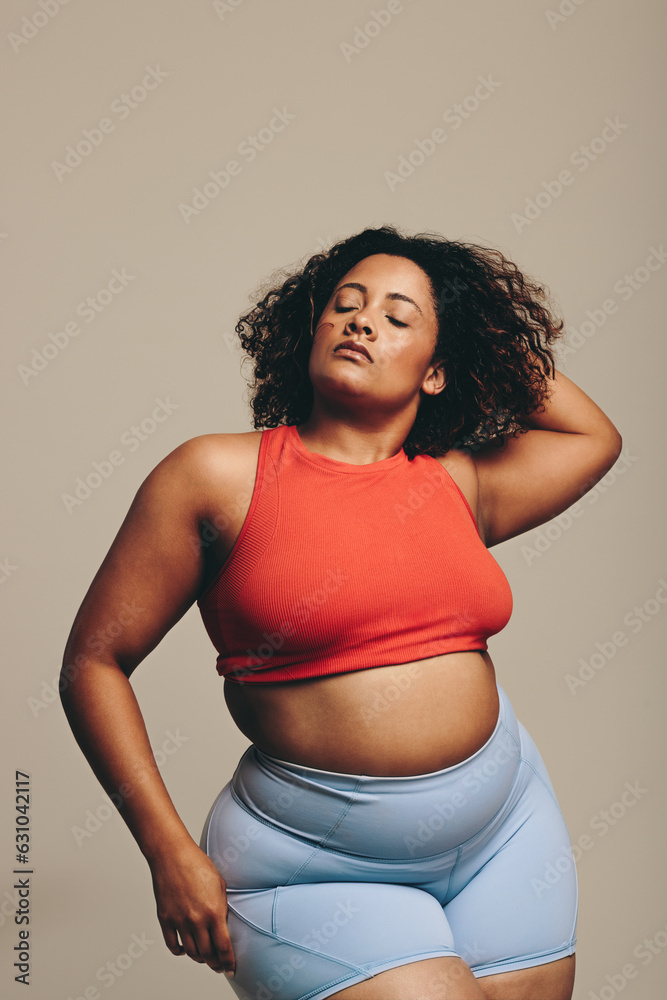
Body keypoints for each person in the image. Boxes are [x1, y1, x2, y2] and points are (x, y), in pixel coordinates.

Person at [60, 225, 621, 1000]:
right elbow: (94, 663)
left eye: (397, 317)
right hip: (313, 873)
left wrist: (483, 331)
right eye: (345, 306)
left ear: (436, 372)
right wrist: (166, 850)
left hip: (503, 835)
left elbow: (594, 435)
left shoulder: (462, 486)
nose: (361, 322)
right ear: (308, 330)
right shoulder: (215, 476)